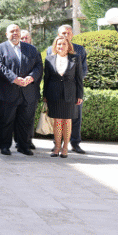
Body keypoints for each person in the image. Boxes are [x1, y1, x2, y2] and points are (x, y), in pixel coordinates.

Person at [0, 24, 43, 156]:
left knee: (25, 121)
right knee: (5, 120)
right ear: (6, 34)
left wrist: (31, 78)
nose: (15, 33)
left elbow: (39, 66)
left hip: (28, 92)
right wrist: (14, 79)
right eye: (12, 31)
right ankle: (4, 146)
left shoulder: (31, 49)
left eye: (17, 31)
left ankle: (24, 146)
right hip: (7, 92)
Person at [46, 24, 88, 154]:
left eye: (69, 33)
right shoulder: (50, 50)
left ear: (72, 35)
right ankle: (57, 144)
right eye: (63, 33)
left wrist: (73, 86)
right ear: (58, 34)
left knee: (74, 118)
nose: (66, 35)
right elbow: (48, 73)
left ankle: (75, 143)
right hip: (55, 91)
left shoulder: (79, 50)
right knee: (57, 119)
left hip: (72, 91)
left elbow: (83, 71)